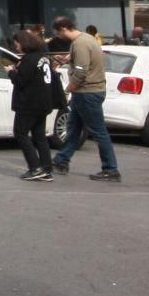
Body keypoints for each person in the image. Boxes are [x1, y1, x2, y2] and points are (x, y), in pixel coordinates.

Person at [50, 15, 121, 182]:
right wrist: (67, 59)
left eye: (58, 33)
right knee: (74, 127)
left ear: (63, 29)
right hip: (91, 90)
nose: (58, 37)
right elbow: (84, 61)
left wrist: (68, 89)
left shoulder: (80, 44)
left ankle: (111, 169)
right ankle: (61, 160)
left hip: (87, 92)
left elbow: (81, 71)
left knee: (98, 131)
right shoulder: (88, 39)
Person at [8, 28, 65, 182]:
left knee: (20, 133)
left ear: (24, 43)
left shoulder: (29, 59)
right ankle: (46, 168)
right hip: (44, 102)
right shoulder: (44, 58)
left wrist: (11, 72)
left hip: (29, 103)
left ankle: (35, 167)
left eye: (17, 43)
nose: (16, 47)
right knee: (40, 136)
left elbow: (21, 80)